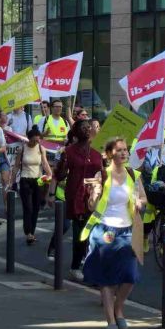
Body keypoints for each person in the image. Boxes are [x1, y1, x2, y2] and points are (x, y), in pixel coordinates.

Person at [82, 137, 147, 329]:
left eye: (125, 150)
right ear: (110, 154)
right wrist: (95, 194)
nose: (124, 153)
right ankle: (111, 319)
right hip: (105, 230)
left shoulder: (133, 174)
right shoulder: (102, 175)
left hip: (127, 230)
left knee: (130, 275)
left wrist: (139, 202)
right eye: (119, 150)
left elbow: (143, 198)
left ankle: (119, 308)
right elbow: (91, 207)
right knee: (107, 277)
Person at [54, 119, 104, 280]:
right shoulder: (69, 151)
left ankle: (91, 264)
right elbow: (60, 175)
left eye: (89, 127)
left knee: (96, 233)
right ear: (76, 132)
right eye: (83, 128)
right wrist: (62, 162)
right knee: (81, 233)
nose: (87, 130)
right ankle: (75, 266)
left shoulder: (97, 151)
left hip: (95, 195)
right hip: (77, 196)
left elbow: (103, 172)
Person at [15, 126, 52, 245]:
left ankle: (32, 232)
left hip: (38, 180)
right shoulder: (22, 149)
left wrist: (50, 174)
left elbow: (45, 163)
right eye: (35, 140)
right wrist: (11, 181)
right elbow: (16, 166)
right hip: (25, 179)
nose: (37, 142)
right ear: (29, 139)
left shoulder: (41, 148)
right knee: (28, 207)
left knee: (36, 207)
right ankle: (28, 233)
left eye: (38, 140)